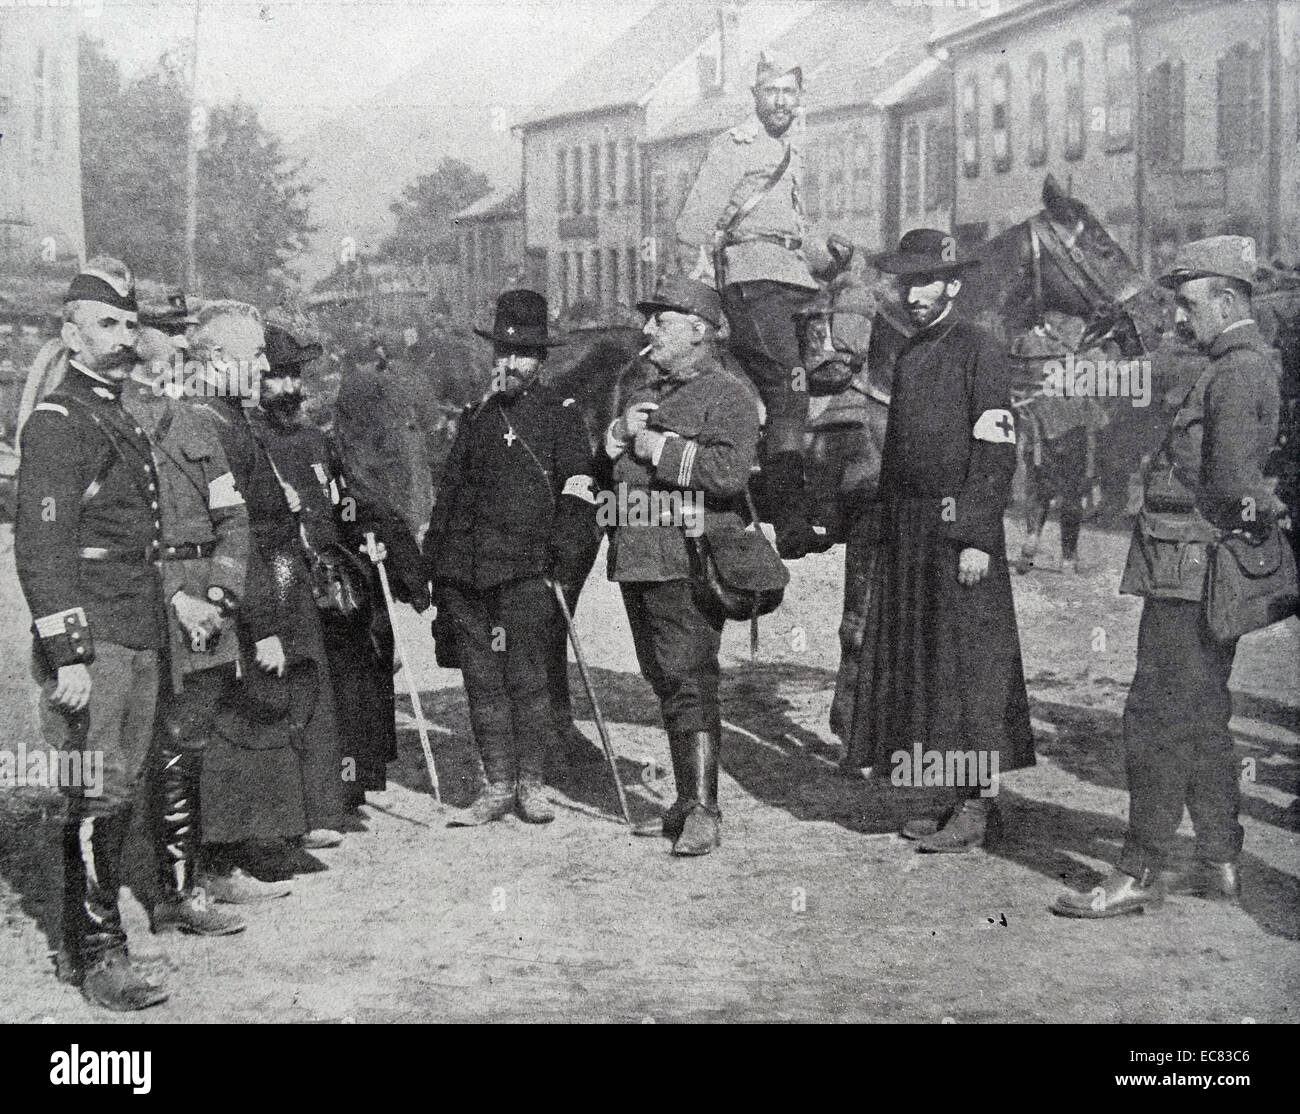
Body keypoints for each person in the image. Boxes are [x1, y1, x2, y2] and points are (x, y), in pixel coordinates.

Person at [1054, 236, 1286, 918]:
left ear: (1225, 298)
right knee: (1203, 713)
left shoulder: (1239, 372)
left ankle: (1137, 870)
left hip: (1192, 568)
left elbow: (1234, 484)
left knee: (1154, 716)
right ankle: (1217, 859)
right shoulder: (1229, 366)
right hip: (1188, 563)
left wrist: (1256, 510)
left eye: (1188, 305)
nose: (1180, 319)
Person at [844, 229, 1036, 852]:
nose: (914, 294)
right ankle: (955, 798)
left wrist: (978, 536)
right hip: (911, 533)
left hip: (960, 535)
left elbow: (995, 448)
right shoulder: (909, 352)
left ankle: (980, 809)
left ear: (953, 284)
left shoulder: (980, 346)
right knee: (931, 669)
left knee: (971, 672)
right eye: (907, 283)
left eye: (926, 282)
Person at [14, 259, 169, 1009]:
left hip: (136, 625)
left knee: (122, 789)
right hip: (96, 637)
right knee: (93, 790)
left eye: (131, 323)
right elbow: (42, 546)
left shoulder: (118, 413)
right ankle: (97, 956)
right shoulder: (59, 423)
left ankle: (105, 940)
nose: (126, 335)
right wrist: (69, 654)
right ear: (72, 334)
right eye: (109, 323)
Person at [186, 301, 344, 897]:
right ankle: (222, 860)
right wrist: (261, 621)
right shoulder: (209, 422)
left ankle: (255, 841)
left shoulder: (230, 417)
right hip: (245, 590)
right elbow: (233, 529)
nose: (261, 367)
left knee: (263, 711)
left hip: (267, 579)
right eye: (252, 356)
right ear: (219, 359)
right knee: (238, 723)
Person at [424, 290, 597, 825]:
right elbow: (450, 493)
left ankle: (533, 785)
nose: (511, 363)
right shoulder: (476, 416)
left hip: (527, 571)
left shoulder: (560, 417)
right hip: (467, 572)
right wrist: (432, 568)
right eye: (503, 352)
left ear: (541, 360)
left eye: (523, 355)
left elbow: (579, 493)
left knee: (528, 678)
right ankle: (496, 785)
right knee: (481, 680)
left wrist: (562, 568)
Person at [604, 274, 762, 856]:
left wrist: (657, 448)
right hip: (638, 557)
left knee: (691, 677)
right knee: (662, 677)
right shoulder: (645, 388)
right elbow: (612, 474)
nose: (648, 330)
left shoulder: (728, 395)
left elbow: (727, 474)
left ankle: (704, 809)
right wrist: (620, 435)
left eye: (661, 320)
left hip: (687, 559)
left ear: (699, 331)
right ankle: (682, 801)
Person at [673, 50, 844, 560]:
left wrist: (828, 251)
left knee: (839, 360)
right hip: (750, 284)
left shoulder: (793, 148)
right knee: (790, 382)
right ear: (755, 96)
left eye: (790, 93)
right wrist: (699, 297)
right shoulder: (734, 145)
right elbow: (692, 224)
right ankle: (789, 522)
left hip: (793, 279)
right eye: (772, 92)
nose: (781, 102)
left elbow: (790, 230)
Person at [251, 324, 427, 812]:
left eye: (294, 376)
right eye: (276, 378)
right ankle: (299, 801)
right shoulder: (250, 442)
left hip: (331, 578)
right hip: (282, 578)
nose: (290, 388)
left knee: (358, 665)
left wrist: (399, 551)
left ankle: (345, 788)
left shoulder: (315, 443)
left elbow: (348, 504)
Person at [121, 290, 248, 935]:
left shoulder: (198, 425)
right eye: (167, 332)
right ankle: (158, 887)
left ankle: (183, 887)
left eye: (185, 333)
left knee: (187, 745)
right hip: (146, 602)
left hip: (204, 610)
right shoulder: (112, 418)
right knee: (135, 748)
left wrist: (220, 596)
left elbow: (233, 517)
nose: (180, 344)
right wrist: (178, 594)